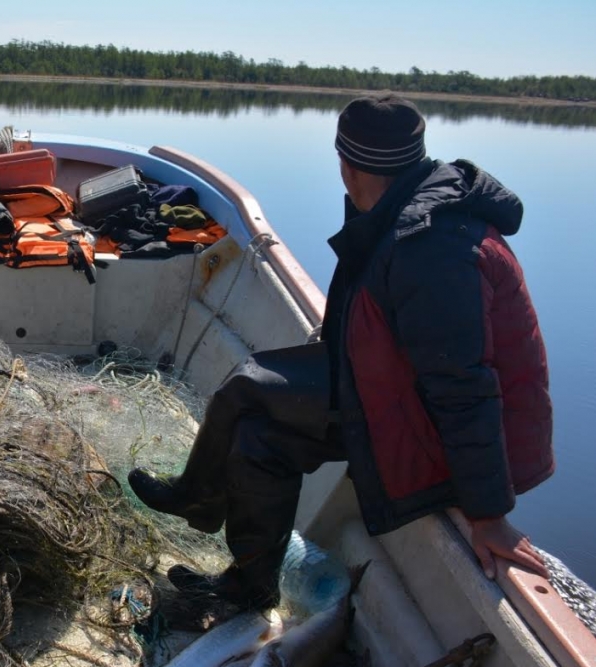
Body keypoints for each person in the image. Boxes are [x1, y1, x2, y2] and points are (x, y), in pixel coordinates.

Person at [129, 94, 553, 608]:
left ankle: (194, 497)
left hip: (435, 428)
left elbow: (463, 384)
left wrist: (488, 514)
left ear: (348, 165)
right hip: (397, 384)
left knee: (247, 383)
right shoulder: (401, 200)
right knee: (259, 436)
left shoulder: (433, 247)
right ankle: (249, 586)